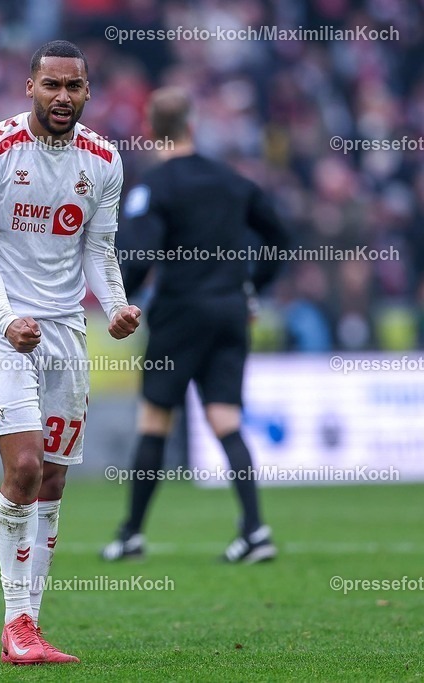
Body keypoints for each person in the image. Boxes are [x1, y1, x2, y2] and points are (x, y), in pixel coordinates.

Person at [0, 40, 141, 665]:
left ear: (88, 92)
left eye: (74, 86)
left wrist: (116, 306)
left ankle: (31, 625)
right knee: (27, 467)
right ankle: (16, 623)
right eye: (52, 85)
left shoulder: (104, 159)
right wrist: (8, 321)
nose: (63, 96)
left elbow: (99, 248)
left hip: (63, 329)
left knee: (55, 477)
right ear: (29, 86)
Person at [101, 87, 289, 565]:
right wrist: (253, 285)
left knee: (154, 420)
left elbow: (139, 255)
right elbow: (279, 236)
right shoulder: (233, 180)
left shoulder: (154, 186)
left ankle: (131, 534)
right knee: (225, 418)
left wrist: (118, 299)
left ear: (150, 130)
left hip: (180, 312)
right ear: (191, 125)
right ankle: (255, 530)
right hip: (230, 310)